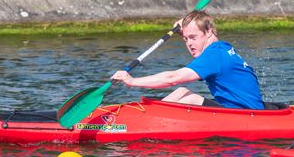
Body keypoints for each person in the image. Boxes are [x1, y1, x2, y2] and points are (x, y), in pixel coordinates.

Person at [111, 10, 265, 110]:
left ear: (209, 32)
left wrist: (132, 81)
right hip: (237, 109)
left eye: (193, 37)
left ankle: (141, 121)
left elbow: (172, 78)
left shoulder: (213, 56)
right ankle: (145, 117)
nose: (189, 44)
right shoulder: (222, 48)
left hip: (247, 115)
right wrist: (188, 27)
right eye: (185, 39)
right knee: (182, 93)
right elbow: (200, 36)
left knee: (188, 97)